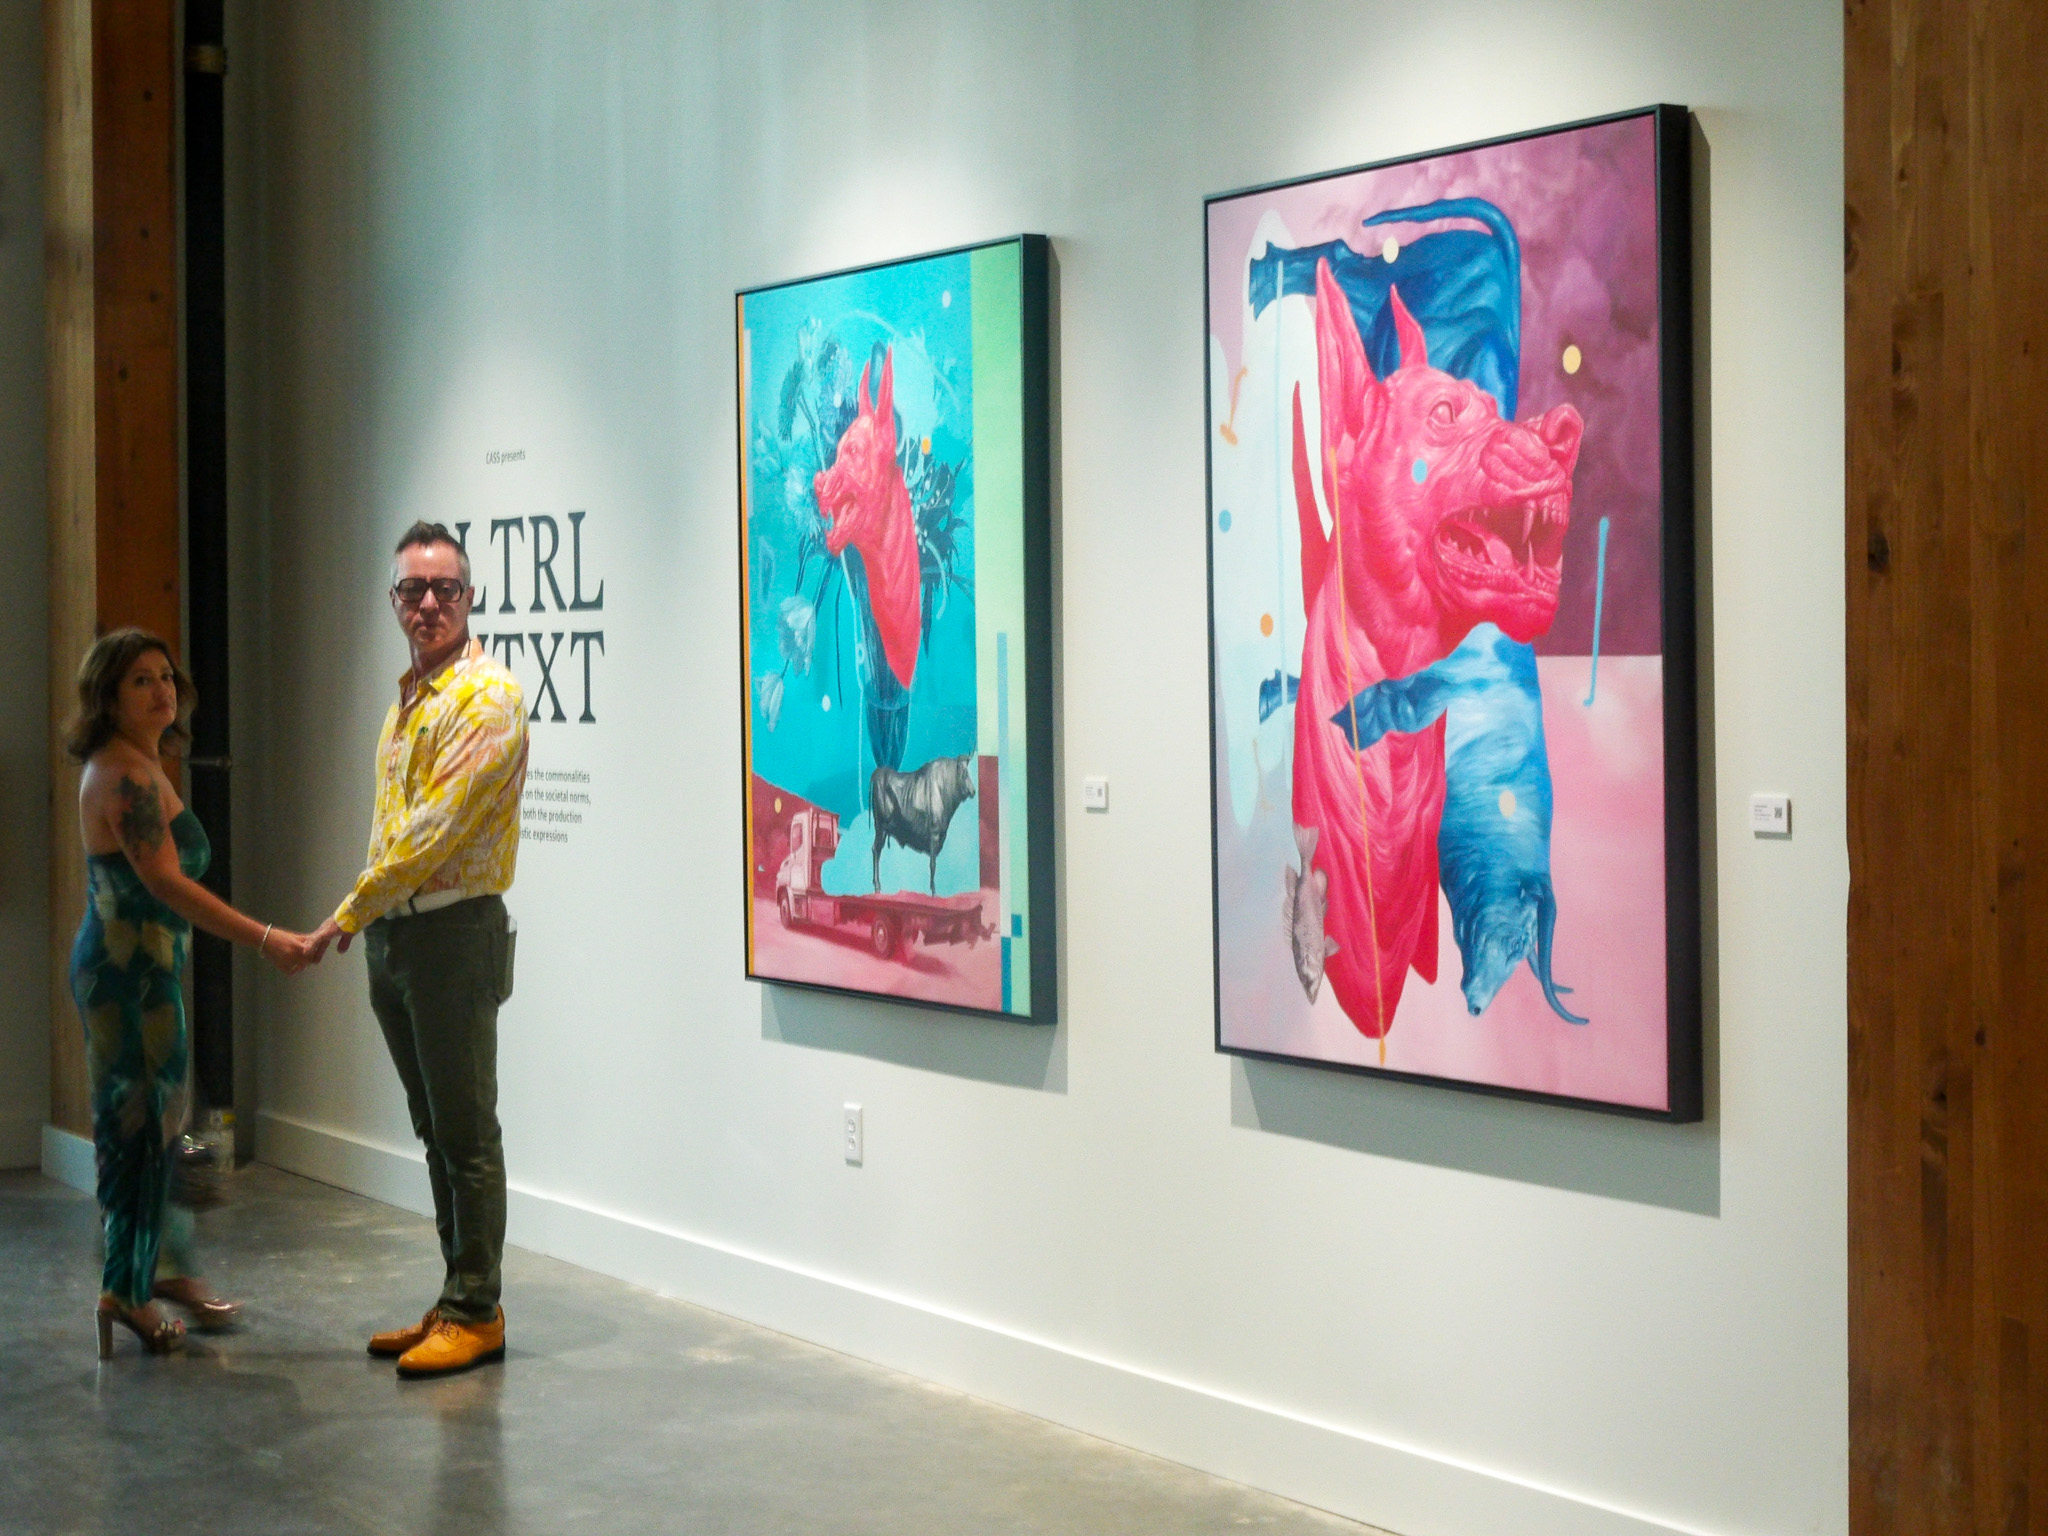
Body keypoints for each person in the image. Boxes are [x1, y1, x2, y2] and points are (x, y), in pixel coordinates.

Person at [308, 521, 528, 1379]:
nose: (428, 603)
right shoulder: (410, 697)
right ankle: (456, 1293)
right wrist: (372, 920)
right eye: (412, 589)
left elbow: (435, 830)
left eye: (444, 589)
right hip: (399, 936)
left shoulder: (488, 697)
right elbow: (392, 826)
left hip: (452, 936)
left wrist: (345, 915)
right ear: (394, 600)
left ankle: (478, 1311)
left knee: (467, 1132)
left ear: (471, 598)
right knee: (436, 1129)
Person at [68, 629, 319, 1358]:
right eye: (141, 680)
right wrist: (266, 938)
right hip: (127, 980)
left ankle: (148, 1278)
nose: (161, 690)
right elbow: (168, 884)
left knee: (154, 1132)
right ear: (109, 697)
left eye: (166, 676)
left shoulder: (143, 765)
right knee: (138, 1139)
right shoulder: (127, 776)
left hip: (141, 975)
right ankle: (126, 1291)